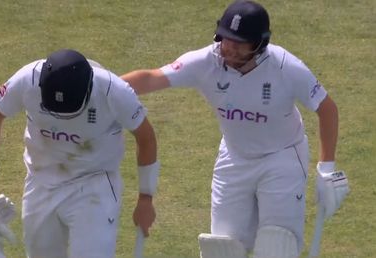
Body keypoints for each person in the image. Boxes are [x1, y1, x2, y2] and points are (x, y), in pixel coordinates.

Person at [121, 1, 349, 257]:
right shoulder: (205, 61)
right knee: (221, 247)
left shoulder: (286, 67)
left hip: (282, 158)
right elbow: (153, 78)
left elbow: (327, 108)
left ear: (259, 44)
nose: (229, 48)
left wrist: (326, 169)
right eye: (227, 39)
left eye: (240, 43)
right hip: (234, 156)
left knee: (277, 245)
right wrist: (105, 89)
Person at [0, 49, 160, 258]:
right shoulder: (27, 79)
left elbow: (146, 138)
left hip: (94, 184)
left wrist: (145, 198)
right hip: (40, 182)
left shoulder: (113, 91)